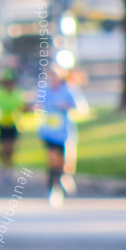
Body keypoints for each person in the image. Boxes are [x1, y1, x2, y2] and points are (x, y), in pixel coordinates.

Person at [39, 65, 86, 206]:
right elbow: (37, 104)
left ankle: (64, 178)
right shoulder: (45, 90)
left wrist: (65, 105)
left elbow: (81, 107)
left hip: (64, 132)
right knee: (53, 159)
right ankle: (54, 188)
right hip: (49, 131)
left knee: (65, 162)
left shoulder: (68, 89)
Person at [0, 68, 28, 178]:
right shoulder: (0, 93)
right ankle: (1, 166)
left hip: (13, 124)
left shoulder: (17, 93)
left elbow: (21, 107)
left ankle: (8, 168)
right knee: (3, 148)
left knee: (11, 148)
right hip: (3, 124)